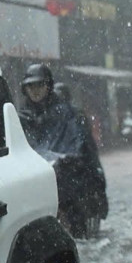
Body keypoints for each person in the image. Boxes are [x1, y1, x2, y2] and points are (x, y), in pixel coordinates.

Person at [19, 63, 107, 238]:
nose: (35, 90)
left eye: (39, 85)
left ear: (48, 86)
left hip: (70, 183)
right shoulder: (22, 118)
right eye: (30, 86)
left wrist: (95, 182)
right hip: (37, 185)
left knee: (79, 234)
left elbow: (84, 148)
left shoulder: (69, 114)